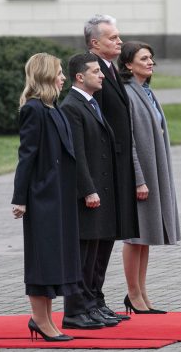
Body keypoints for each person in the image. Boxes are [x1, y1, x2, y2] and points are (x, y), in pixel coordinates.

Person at [11, 53, 80, 342]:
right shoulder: (34, 110)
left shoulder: (54, 108)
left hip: (60, 195)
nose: (63, 77)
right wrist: (20, 198)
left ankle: (46, 320)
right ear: (45, 75)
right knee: (42, 259)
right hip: (42, 197)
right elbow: (26, 156)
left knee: (54, 259)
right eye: (60, 72)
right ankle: (40, 320)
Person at [118, 41, 181, 314]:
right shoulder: (128, 94)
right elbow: (128, 140)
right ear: (128, 64)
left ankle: (141, 293)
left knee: (147, 235)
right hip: (140, 175)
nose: (150, 62)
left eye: (151, 58)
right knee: (135, 236)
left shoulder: (147, 92)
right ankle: (133, 293)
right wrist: (138, 179)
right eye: (144, 58)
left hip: (154, 171)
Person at [60, 53, 122, 330]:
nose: (101, 75)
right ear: (79, 77)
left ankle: (92, 305)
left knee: (97, 254)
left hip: (102, 191)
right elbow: (77, 155)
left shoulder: (91, 103)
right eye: (96, 71)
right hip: (88, 194)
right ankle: (75, 311)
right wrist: (87, 189)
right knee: (83, 255)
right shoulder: (72, 106)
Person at [83, 14, 139, 320]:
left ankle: (97, 299)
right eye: (113, 38)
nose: (119, 41)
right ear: (95, 43)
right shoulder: (90, 72)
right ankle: (88, 302)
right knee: (98, 235)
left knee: (108, 235)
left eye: (118, 36)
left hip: (116, 165)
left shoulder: (111, 70)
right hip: (103, 167)